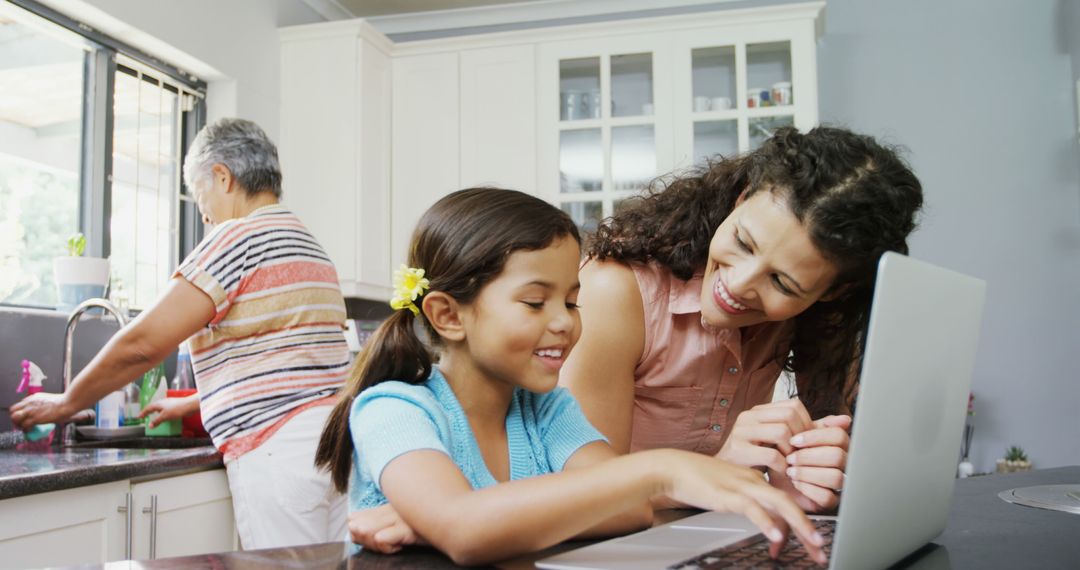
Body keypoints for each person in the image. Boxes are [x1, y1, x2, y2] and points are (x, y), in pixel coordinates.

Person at [314, 187, 827, 566]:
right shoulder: (395, 410)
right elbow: (465, 528)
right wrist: (660, 470)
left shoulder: (549, 410)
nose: (564, 321)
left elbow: (631, 513)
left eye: (571, 300)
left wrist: (441, 527)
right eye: (536, 302)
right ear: (449, 315)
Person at [11, 118, 349, 549]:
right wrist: (190, 402)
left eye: (199, 196)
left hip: (277, 453)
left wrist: (66, 402)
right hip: (336, 445)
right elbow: (290, 364)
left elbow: (142, 345)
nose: (204, 214)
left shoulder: (237, 236)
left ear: (223, 176)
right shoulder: (308, 244)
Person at [560, 126, 924, 513]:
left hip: (714, 538)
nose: (736, 285)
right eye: (743, 242)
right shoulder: (616, 291)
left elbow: (840, 448)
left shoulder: (818, 313)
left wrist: (815, 478)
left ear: (833, 293)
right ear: (742, 198)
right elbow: (584, 496)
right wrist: (717, 475)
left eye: (782, 282)